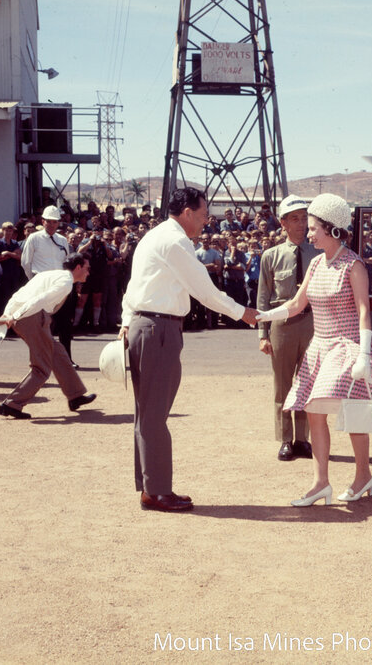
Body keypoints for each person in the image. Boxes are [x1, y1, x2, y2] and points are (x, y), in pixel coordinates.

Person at [119, 187, 257, 513]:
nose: (207, 220)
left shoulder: (154, 237)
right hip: (158, 329)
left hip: (145, 326)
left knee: (147, 414)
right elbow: (204, 290)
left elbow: (133, 288)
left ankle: (150, 486)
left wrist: (127, 321)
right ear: (187, 213)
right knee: (154, 416)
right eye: (204, 213)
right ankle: (157, 492)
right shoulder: (176, 241)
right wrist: (242, 312)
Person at [256, 193, 372, 507]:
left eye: (314, 227)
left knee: (351, 413)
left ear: (332, 229)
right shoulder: (316, 263)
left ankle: (361, 476)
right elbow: (296, 304)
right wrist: (264, 316)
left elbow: (363, 312)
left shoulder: (353, 265)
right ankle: (323, 483)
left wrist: (365, 355)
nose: (309, 232)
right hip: (321, 348)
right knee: (315, 413)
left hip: (347, 348)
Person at [0, 253, 96, 419]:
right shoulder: (65, 282)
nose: (88, 272)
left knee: (58, 352)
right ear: (77, 267)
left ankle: (75, 396)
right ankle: (12, 404)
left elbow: (19, 294)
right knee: (42, 367)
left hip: (27, 316)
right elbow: (40, 300)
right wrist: (14, 316)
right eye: (86, 268)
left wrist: (9, 314)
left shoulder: (48, 274)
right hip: (32, 317)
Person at [256, 194, 319, 461]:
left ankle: (303, 439)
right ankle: (285, 439)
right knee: (283, 387)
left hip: (312, 325)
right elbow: (263, 298)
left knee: (308, 384)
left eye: (305, 218)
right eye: (295, 219)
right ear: (283, 223)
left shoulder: (318, 253)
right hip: (282, 326)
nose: (301, 224)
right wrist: (263, 334)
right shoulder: (271, 256)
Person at [21, 206, 76, 362]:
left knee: (64, 324)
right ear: (43, 221)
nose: (52, 225)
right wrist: (35, 284)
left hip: (60, 286)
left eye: (55, 222)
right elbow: (26, 263)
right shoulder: (34, 238)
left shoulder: (62, 240)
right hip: (42, 285)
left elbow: (66, 263)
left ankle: (66, 359)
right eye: (49, 222)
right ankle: (42, 359)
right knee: (43, 325)